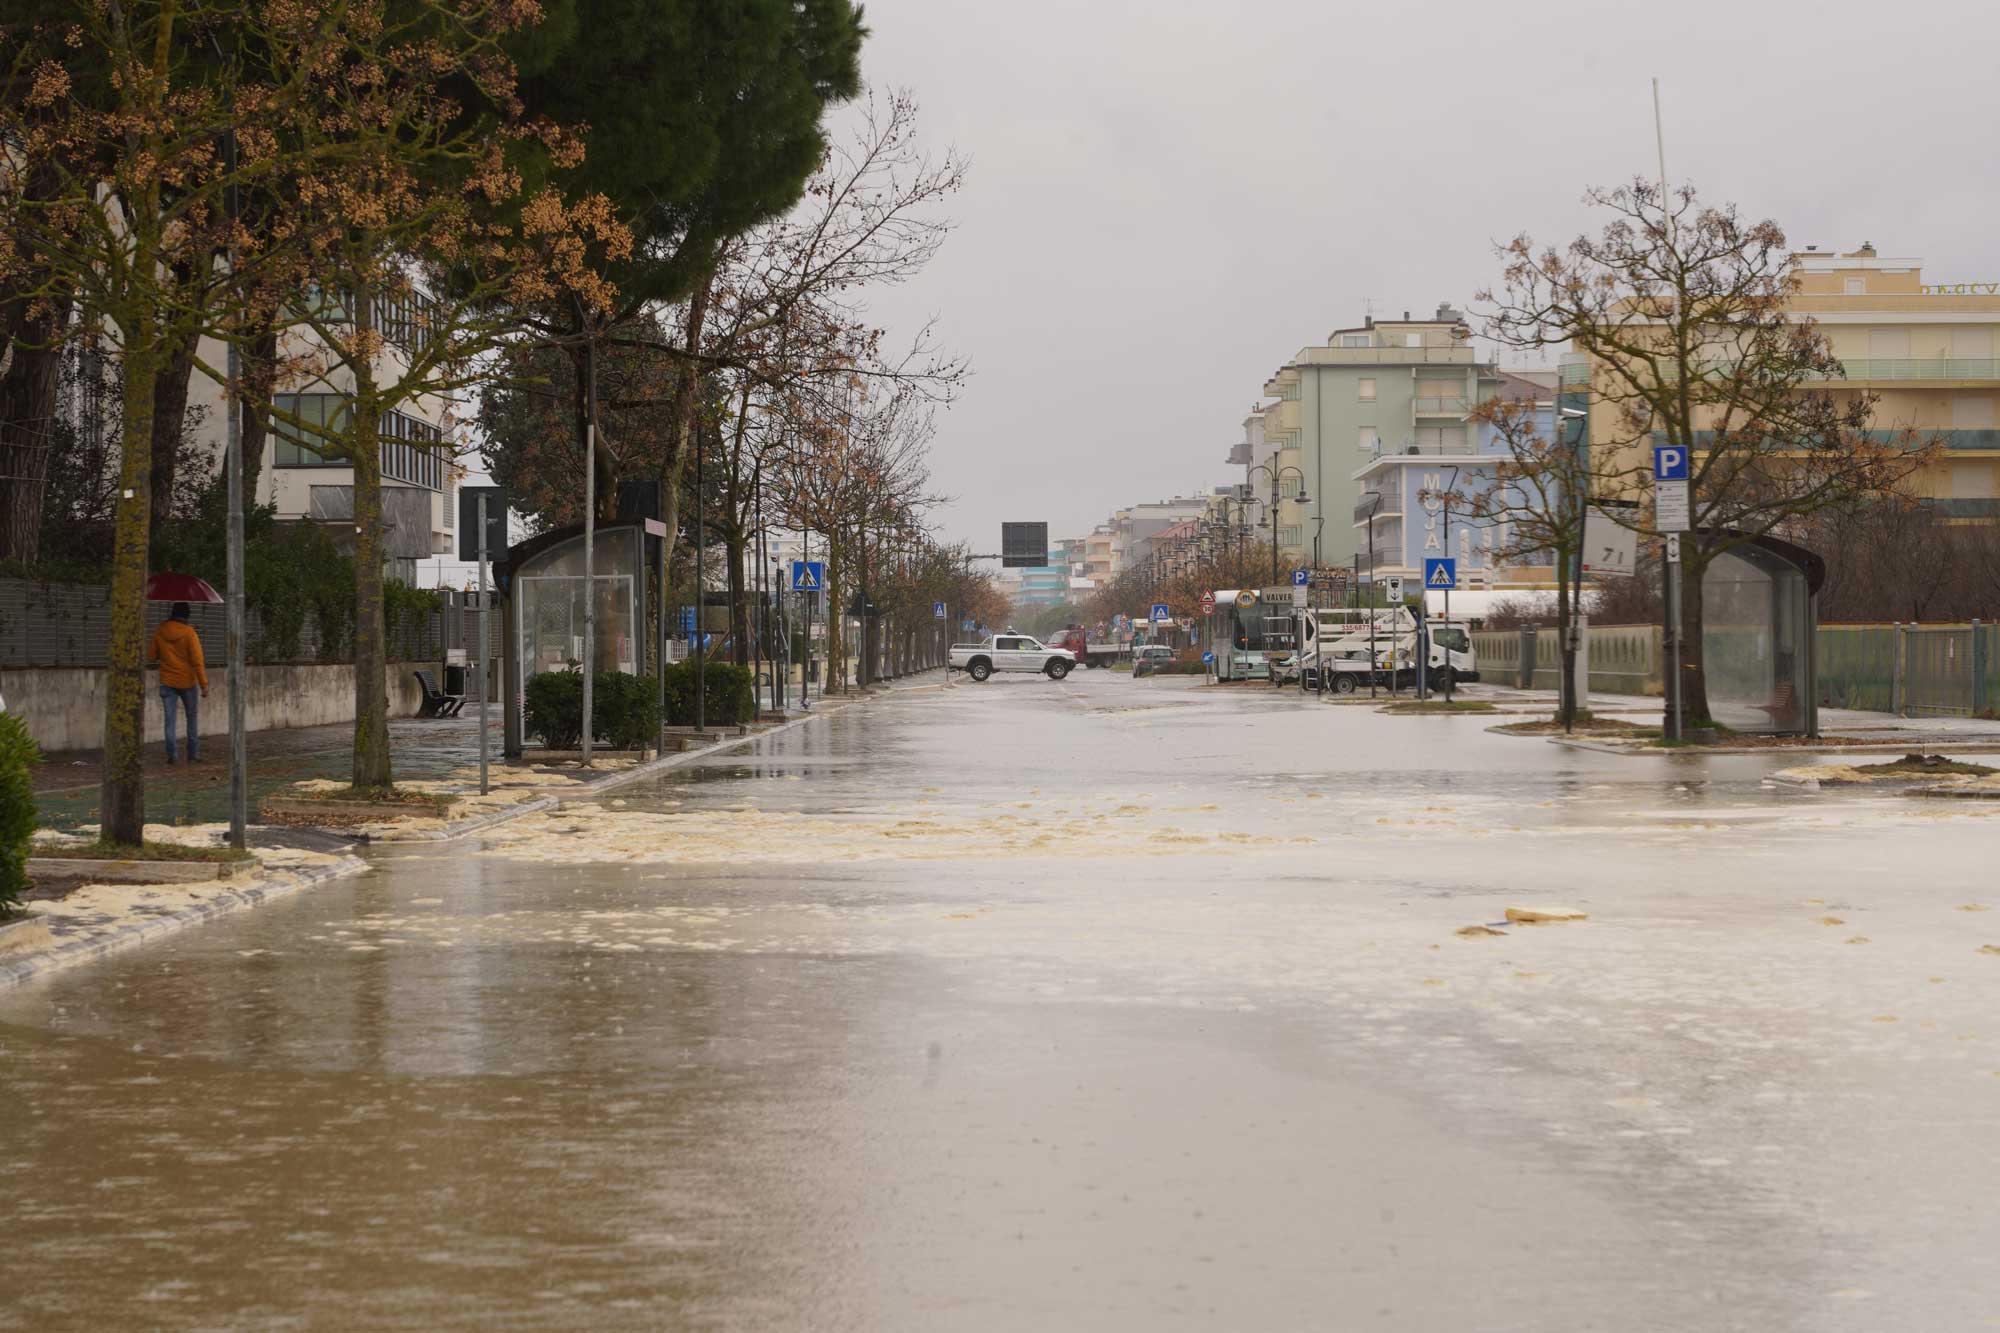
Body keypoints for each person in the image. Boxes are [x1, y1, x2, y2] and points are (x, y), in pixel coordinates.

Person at [148, 602, 209, 764]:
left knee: (170, 719)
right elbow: (197, 660)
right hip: (187, 682)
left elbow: (151, 655)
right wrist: (203, 684)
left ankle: (172, 755)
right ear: (187, 615)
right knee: (192, 717)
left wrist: (166, 654)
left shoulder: (161, 630)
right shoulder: (189, 633)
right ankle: (193, 754)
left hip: (167, 682)